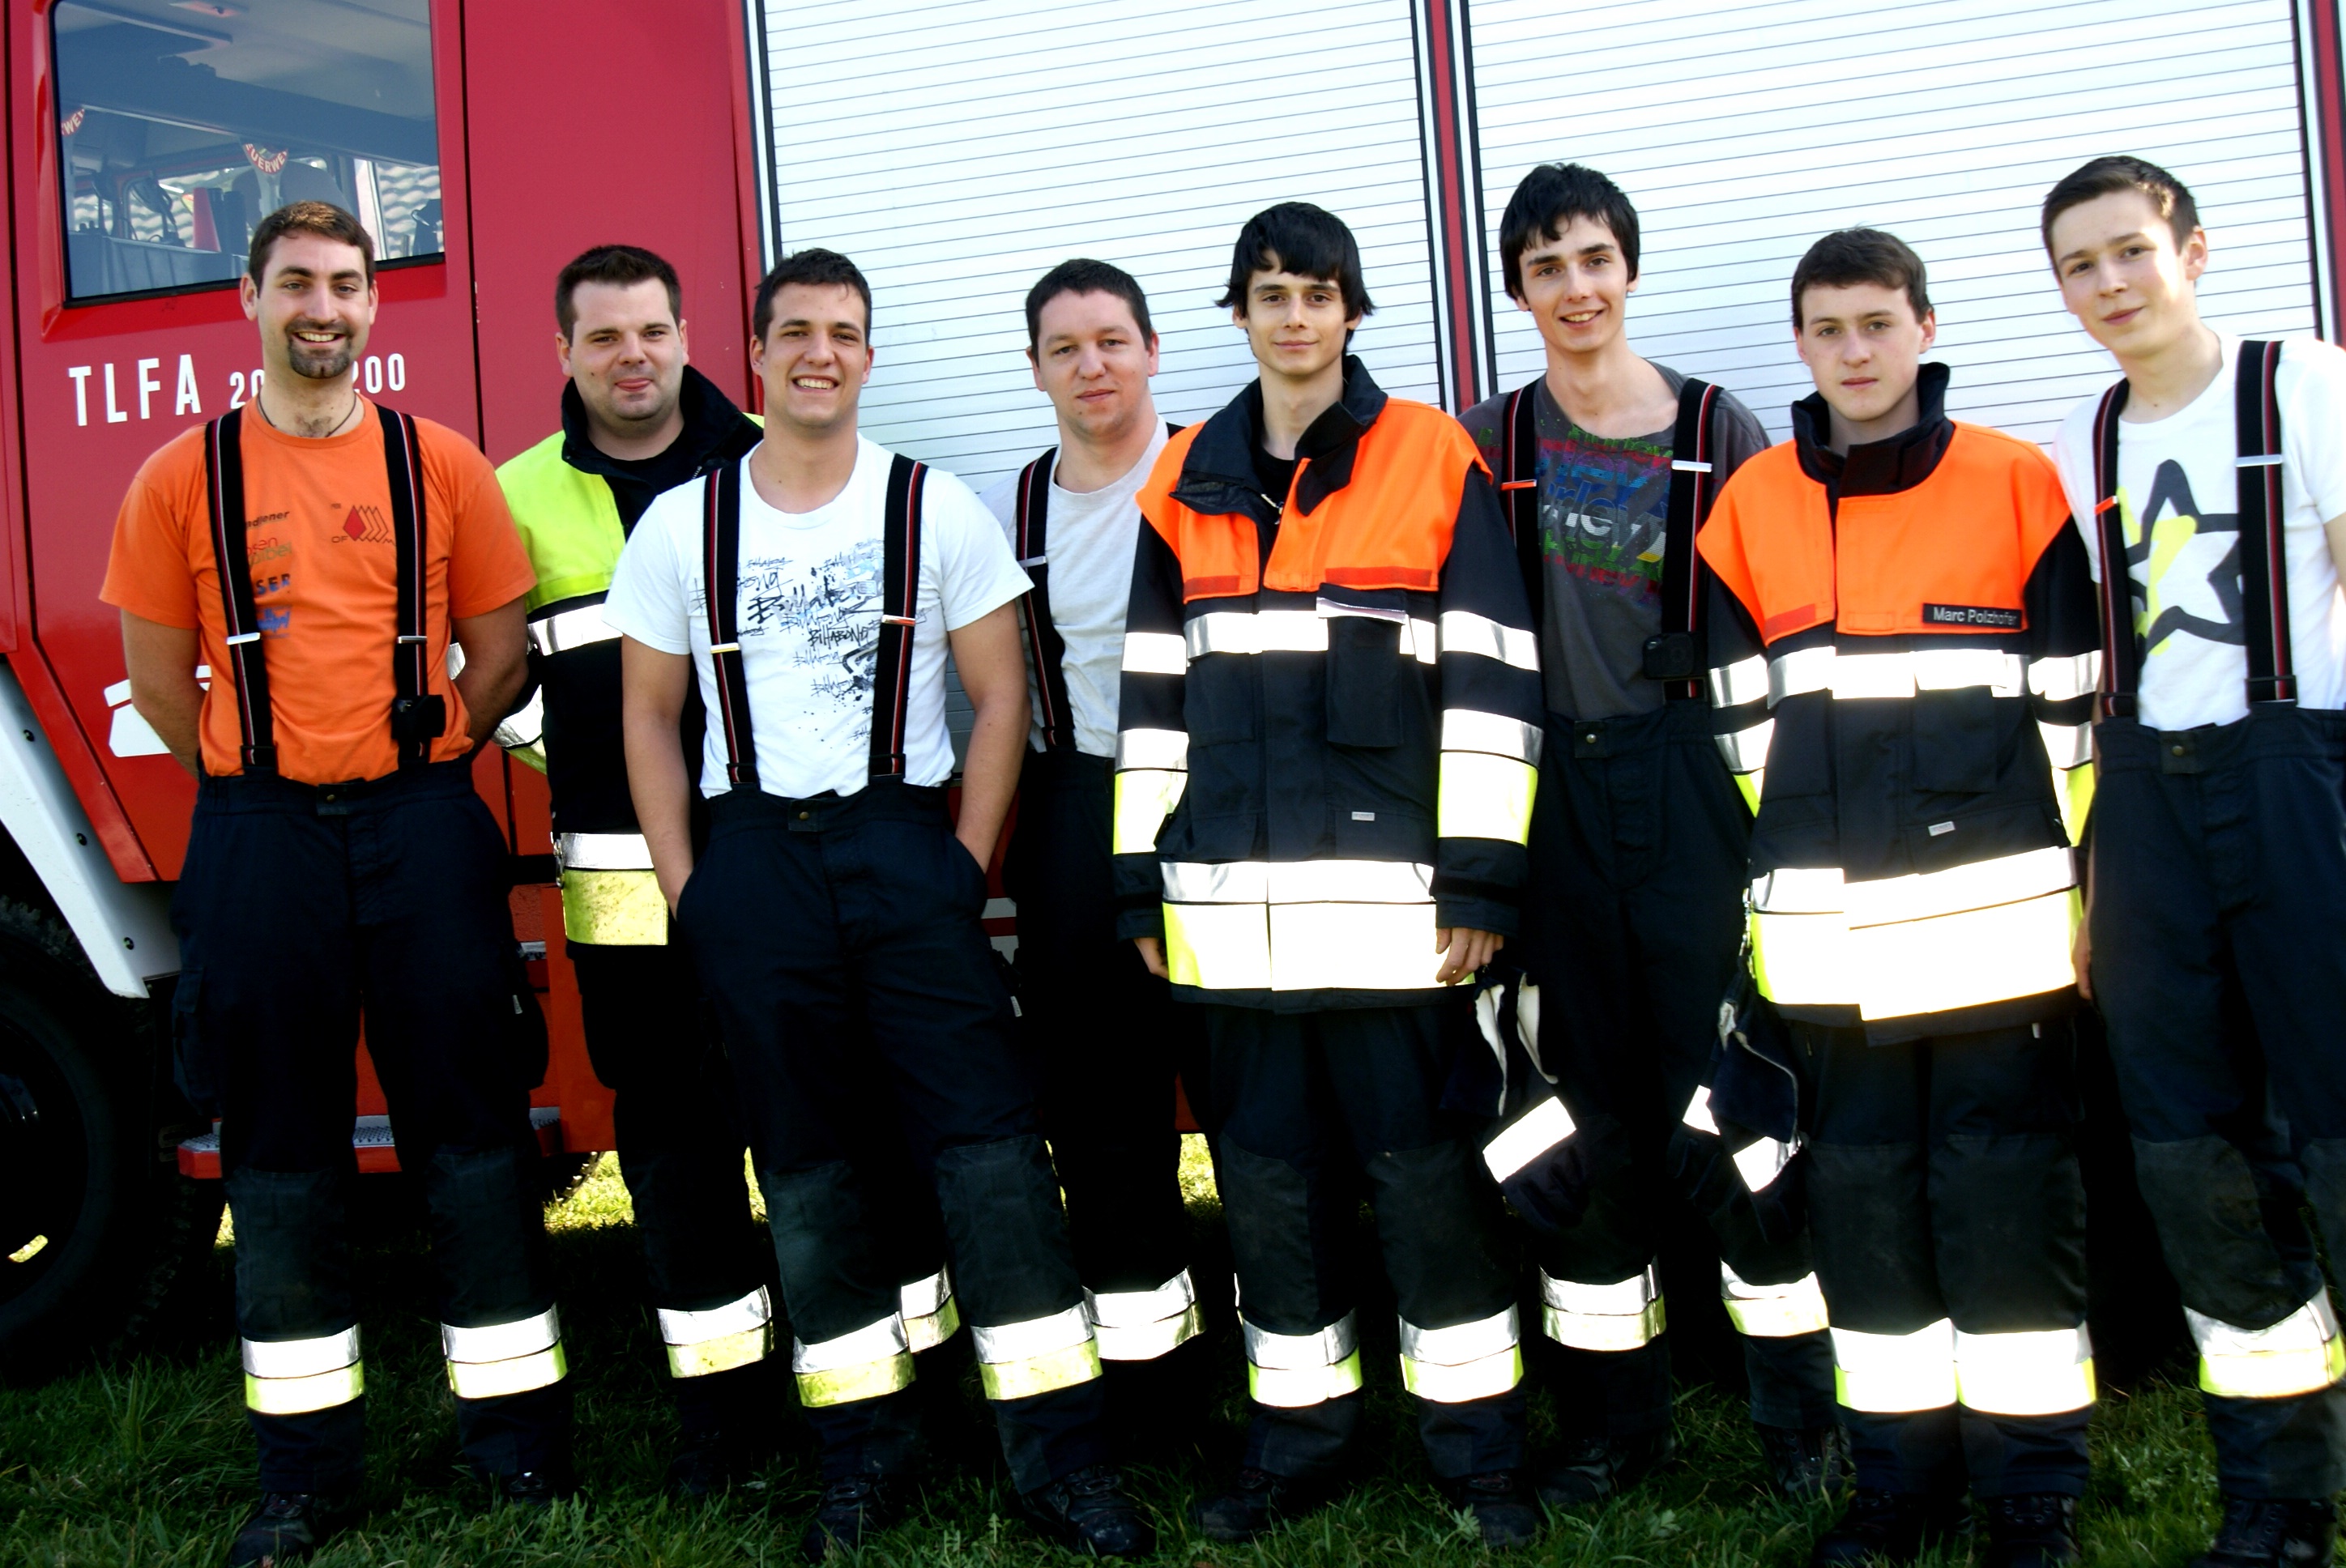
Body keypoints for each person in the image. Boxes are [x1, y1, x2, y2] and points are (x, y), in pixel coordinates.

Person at [609, 247, 1149, 1562]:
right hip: (754, 863)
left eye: (844, 333)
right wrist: (691, 891)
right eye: (796, 331)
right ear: (754, 353)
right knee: (807, 1173)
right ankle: (861, 1454)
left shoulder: (933, 508)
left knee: (991, 1155)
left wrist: (963, 859)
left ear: (867, 355)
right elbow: (649, 714)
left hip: (905, 844)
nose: (820, 354)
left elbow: (1002, 694)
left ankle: (1061, 1457)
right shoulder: (682, 525)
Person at [103, 201, 566, 1566]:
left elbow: (501, 657)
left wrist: (426, 750)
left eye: (348, 285)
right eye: (297, 282)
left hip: (423, 823)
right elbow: (158, 687)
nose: (324, 307)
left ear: (374, 305)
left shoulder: (442, 465)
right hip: (260, 838)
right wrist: (268, 769)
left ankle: (516, 1445)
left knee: (473, 1136)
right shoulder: (177, 478)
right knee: (281, 1151)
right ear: (249, 300)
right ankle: (303, 1475)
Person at [1115, 202, 1546, 1548]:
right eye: (1270, 294)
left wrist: (1482, 881)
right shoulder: (1181, 477)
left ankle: (1478, 1454)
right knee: (1268, 1198)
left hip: (1396, 931)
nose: (1295, 317)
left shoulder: (1431, 455)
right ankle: (1296, 1442)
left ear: (1352, 312)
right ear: (1240, 315)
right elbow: (1150, 702)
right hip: (1231, 934)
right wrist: (1138, 880)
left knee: (1429, 1189)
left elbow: (1492, 683)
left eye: (1317, 293)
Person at [1696, 229, 2101, 1568]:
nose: (1855, 351)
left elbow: (2075, 717)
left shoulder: (2015, 482)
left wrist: (2089, 893)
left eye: (1877, 322)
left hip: (2000, 942)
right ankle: (1897, 1482)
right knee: (1864, 1216)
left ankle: (2030, 1491)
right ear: (1800, 345)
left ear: (1926, 328)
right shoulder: (1749, 505)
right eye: (1829, 328)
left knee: (2004, 1206)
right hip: (1828, 952)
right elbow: (1738, 738)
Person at [1455, 161, 1841, 1506]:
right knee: (1575, 1112)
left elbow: (1781, 629)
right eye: (1546, 267)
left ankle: (1797, 1415)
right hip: (1548, 796)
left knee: (1733, 1095)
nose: (1576, 289)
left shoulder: (1720, 430)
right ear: (1517, 289)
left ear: (1629, 268)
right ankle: (1615, 1425)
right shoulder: (1484, 443)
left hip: (1692, 793)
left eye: (1595, 259)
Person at [2045, 156, 2346, 1568]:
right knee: (2190, 1162)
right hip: (2148, 811)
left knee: (2341, 1143)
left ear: (2195, 252)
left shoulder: (2304, 384)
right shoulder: (2091, 434)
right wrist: (2096, 881)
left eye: (2131, 251)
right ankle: (2276, 1499)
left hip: (2301, 781)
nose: (2109, 283)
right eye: (2079, 265)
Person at [495, 245, 774, 1495]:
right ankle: (720, 1416)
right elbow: (486, 674)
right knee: (671, 1144)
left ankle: (856, 1390)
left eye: (652, 330)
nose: (633, 357)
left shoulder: (772, 456)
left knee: (813, 1124)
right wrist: (579, 767)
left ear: (686, 334)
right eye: (604, 336)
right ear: (564, 351)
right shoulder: (516, 496)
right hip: (620, 888)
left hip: (769, 862)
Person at [975, 259, 1204, 1440]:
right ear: (1035, 370)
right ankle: (1149, 1380)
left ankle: (1282, 1353)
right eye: (1064, 348)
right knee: (1102, 1109)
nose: (1092, 365)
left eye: (1112, 340)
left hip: (1217, 804)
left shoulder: (1216, 474)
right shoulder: (1010, 510)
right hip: (1074, 806)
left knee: (1247, 1092)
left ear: (1152, 351)